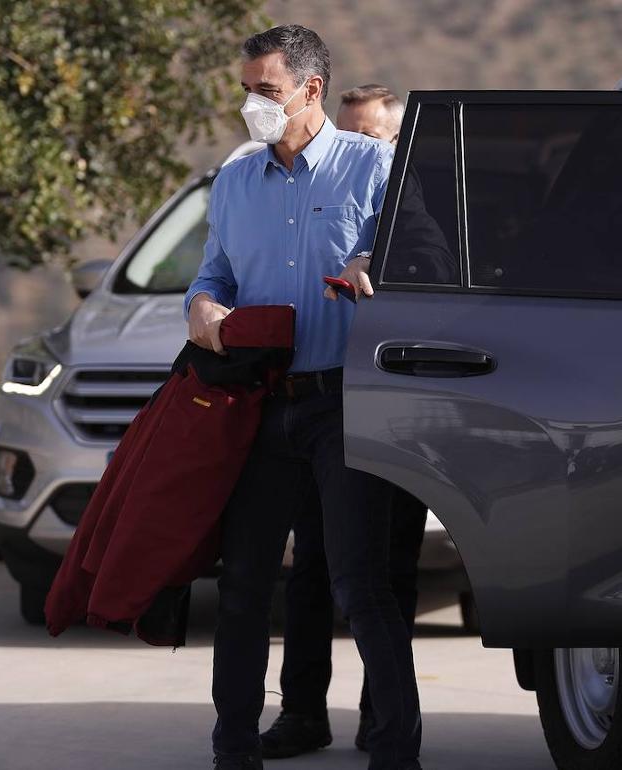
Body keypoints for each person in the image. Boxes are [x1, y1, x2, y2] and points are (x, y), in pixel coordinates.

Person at [186, 25, 422, 770]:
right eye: (247, 89)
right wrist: (201, 307)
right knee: (248, 581)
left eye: (267, 90)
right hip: (259, 405)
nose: (253, 103)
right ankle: (234, 749)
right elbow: (214, 275)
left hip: (345, 403)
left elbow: (425, 254)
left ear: (310, 89)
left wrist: (373, 263)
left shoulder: (375, 166)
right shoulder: (234, 181)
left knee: (360, 581)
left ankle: (393, 752)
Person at [258, 83, 429, 762]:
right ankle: (302, 712)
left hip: (394, 406)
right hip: (319, 400)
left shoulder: (418, 206)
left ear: (397, 141)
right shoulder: (322, 188)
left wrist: (378, 268)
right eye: (351, 134)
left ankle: (381, 719)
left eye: (373, 137)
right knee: (313, 570)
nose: (360, 147)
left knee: (387, 573)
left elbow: (438, 274)